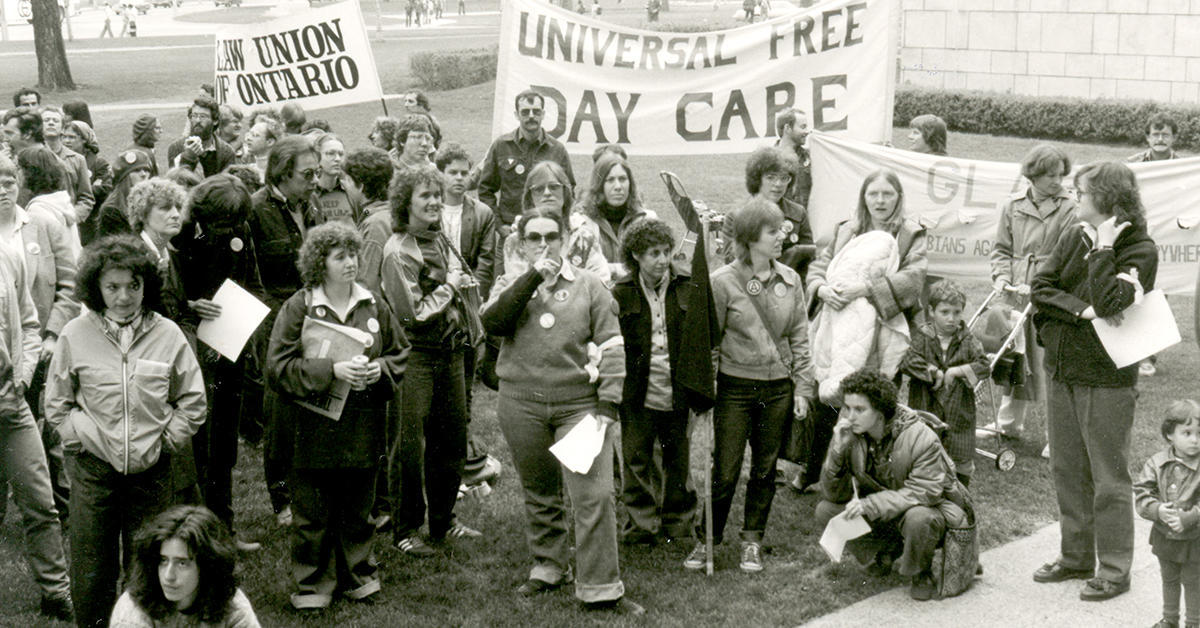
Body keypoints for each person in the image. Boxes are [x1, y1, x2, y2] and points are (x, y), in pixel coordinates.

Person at [481, 206, 643, 615]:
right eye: (533, 238)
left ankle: (601, 586)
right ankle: (549, 566)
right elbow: (494, 323)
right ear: (520, 243)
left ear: (567, 240)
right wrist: (533, 275)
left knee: (595, 495)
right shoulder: (511, 282)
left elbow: (611, 346)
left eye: (551, 236)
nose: (543, 244)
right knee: (539, 490)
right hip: (521, 403)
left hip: (578, 405)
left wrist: (608, 402)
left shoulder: (590, 285)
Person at [45, 235, 206, 628]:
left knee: (147, 562)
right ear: (95, 289)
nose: (123, 297)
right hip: (93, 470)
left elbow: (193, 400)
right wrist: (79, 438)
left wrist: (169, 439)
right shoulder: (75, 334)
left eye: (133, 286)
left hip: (153, 471)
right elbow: (56, 404)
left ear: (147, 286)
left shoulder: (168, 334)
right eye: (112, 287)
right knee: (92, 566)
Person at [1030, 161, 1159, 602]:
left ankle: (1116, 570)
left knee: (1108, 477)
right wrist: (1081, 312)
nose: (1074, 196)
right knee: (1066, 469)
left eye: (1081, 191)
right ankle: (1076, 557)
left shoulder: (1140, 249)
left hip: (1107, 380)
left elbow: (1110, 300)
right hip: (1061, 370)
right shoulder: (1072, 233)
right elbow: (1040, 287)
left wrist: (1103, 249)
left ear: (1106, 198)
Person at [267, 222, 408, 609]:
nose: (350, 263)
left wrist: (381, 370)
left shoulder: (373, 303)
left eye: (353, 255)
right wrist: (331, 371)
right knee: (311, 512)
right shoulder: (300, 305)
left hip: (361, 425)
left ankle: (358, 574)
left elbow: (399, 352)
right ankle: (312, 584)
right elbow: (277, 367)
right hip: (311, 430)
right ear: (319, 263)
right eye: (339, 256)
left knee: (356, 508)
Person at [685, 197, 813, 573]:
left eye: (782, 231)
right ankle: (707, 539)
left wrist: (803, 390)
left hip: (778, 390)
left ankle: (752, 540)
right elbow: (709, 341)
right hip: (735, 390)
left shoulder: (791, 281)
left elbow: (801, 339)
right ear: (750, 236)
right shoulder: (722, 282)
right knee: (725, 470)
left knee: (765, 468)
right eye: (773, 231)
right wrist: (706, 390)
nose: (781, 238)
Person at [802, 169, 926, 489]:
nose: (880, 201)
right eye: (874, 194)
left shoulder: (911, 234)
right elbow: (820, 264)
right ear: (864, 197)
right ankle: (815, 470)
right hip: (839, 323)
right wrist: (820, 289)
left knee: (875, 406)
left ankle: (874, 480)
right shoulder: (848, 229)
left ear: (899, 197)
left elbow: (914, 278)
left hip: (883, 328)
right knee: (828, 397)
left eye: (888, 194)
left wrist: (866, 290)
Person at [381, 166, 481, 555]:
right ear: (405, 203)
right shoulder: (397, 251)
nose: (435, 201)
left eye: (437, 195)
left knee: (451, 439)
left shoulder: (440, 239)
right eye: (425, 196)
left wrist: (459, 288)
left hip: (451, 352)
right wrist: (451, 287)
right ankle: (405, 530)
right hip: (416, 358)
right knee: (408, 447)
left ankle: (443, 521)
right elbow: (412, 315)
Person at [815, 369, 972, 601]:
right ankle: (883, 554)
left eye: (859, 409)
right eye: (847, 408)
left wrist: (870, 504)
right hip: (888, 509)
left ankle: (921, 572)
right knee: (826, 510)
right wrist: (837, 450)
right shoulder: (853, 433)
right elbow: (833, 494)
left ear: (880, 412)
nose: (849, 416)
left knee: (918, 517)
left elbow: (924, 492)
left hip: (934, 512)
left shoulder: (921, 437)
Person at [0, 157, 74, 623]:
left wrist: (24, 373)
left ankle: (57, 593)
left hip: (10, 402)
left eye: (8, 180)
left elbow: (28, 321)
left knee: (40, 501)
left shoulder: (9, 256)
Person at [173, 174, 264, 552]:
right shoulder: (179, 235)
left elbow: (255, 283)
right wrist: (191, 306)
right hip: (190, 349)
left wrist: (245, 317)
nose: (225, 232)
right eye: (219, 225)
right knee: (198, 445)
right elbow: (169, 296)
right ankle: (193, 532)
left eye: (232, 225)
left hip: (229, 348)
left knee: (224, 443)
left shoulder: (240, 230)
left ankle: (223, 529)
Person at [980, 144, 1074, 458]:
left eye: (1060, 174)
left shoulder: (1070, 208)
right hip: (1014, 289)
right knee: (1014, 356)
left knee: (1049, 363)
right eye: (1049, 174)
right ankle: (1008, 423)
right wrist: (1002, 278)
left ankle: (1057, 436)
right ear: (1032, 175)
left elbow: (1068, 255)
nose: (1056, 180)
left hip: (1048, 289)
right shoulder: (1012, 206)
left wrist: (1044, 284)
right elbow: (1001, 250)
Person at [247, 135, 320, 525]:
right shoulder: (256, 211)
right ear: (281, 173)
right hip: (275, 322)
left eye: (317, 173)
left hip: (314, 316)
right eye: (307, 174)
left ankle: (310, 485)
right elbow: (249, 277)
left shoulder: (310, 205)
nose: (314, 180)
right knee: (279, 413)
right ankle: (283, 500)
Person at [613, 218, 697, 544]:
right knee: (636, 459)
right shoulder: (621, 293)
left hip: (676, 389)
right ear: (635, 255)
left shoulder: (686, 286)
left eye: (666, 252)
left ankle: (679, 521)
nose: (662, 260)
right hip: (636, 392)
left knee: (678, 457)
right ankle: (641, 525)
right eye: (653, 254)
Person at [109, 505, 261, 627]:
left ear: (207, 566)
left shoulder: (231, 605)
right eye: (163, 560)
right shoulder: (131, 616)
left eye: (182, 563)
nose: (168, 576)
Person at [899, 280, 987, 487]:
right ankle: (922, 487)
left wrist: (957, 371)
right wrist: (934, 372)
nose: (951, 319)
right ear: (931, 311)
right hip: (926, 403)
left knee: (961, 454)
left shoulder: (967, 339)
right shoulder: (923, 336)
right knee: (923, 448)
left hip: (959, 408)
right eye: (945, 312)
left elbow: (984, 365)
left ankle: (960, 493)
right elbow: (907, 360)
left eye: (957, 312)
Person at [1135, 400, 1200, 628]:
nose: (1195, 439)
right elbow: (1142, 493)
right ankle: (1169, 619)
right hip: (1165, 535)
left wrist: (1190, 517)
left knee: (1193, 581)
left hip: (1195, 538)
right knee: (1169, 578)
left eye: (1199, 434)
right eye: (1187, 433)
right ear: (1170, 434)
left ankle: (1194, 622)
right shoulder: (1157, 463)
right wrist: (1156, 510)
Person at [495, 161, 609, 286]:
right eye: (538, 189)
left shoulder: (584, 238)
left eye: (554, 187)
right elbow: (516, 288)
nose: (547, 193)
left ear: (565, 192)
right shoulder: (516, 240)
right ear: (530, 197)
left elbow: (602, 282)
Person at [478, 89, 576, 230]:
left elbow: (569, 189)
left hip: (547, 231)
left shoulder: (557, 150)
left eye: (536, 111)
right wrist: (499, 226)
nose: (531, 116)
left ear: (543, 114)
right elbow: (485, 190)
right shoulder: (501, 146)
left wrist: (562, 224)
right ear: (517, 115)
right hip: (510, 229)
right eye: (525, 112)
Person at [1128, 112, 1179, 378]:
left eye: (1165, 134)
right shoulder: (1132, 166)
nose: (1160, 139)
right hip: (1139, 239)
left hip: (1171, 243)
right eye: (1155, 134)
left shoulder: (1185, 168)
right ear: (1147, 137)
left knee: (1160, 300)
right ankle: (1135, 354)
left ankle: (1148, 355)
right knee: (1136, 294)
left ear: (1174, 138)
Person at [573, 154, 653, 280]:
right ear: (599, 185)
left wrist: (608, 269)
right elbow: (581, 270)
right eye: (610, 180)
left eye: (622, 179)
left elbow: (653, 266)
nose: (618, 187)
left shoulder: (647, 219)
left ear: (630, 183)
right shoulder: (582, 221)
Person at [742, 146, 814, 280]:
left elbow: (810, 260)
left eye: (784, 178)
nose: (778, 184)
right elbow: (735, 260)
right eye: (771, 177)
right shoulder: (739, 214)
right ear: (757, 179)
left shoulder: (798, 212)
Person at [35, 107, 97, 228]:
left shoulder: (77, 159)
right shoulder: (32, 157)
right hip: (39, 223)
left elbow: (86, 197)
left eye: (55, 120)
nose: (51, 123)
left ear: (63, 128)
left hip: (68, 225)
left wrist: (74, 216)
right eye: (46, 120)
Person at [17, 146, 82, 256]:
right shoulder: (61, 201)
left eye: (19, 168)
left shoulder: (37, 211)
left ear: (30, 173)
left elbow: (41, 256)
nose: (16, 173)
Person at [346, 147, 394, 290]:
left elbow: (366, 283)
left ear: (360, 186)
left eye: (348, 181)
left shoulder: (375, 225)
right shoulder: (389, 213)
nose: (345, 186)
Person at [87, 149, 153, 244]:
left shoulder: (151, 201)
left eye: (146, 170)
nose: (143, 174)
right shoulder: (112, 210)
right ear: (124, 177)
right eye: (137, 170)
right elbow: (117, 248)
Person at [166, 96, 236, 178]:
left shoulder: (226, 152)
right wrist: (188, 156)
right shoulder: (176, 147)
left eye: (203, 116)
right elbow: (176, 181)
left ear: (215, 121)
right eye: (194, 116)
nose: (198, 120)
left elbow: (226, 184)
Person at [63, 120, 113, 213]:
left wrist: (75, 190)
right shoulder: (59, 160)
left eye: (72, 137)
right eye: (64, 137)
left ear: (84, 139)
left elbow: (105, 189)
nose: (66, 141)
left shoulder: (98, 163)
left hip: (91, 216)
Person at [312, 133, 360, 225]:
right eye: (330, 153)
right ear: (317, 157)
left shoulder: (351, 191)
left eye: (341, 154)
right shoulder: (309, 193)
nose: (337, 159)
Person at [774, 107, 812, 208]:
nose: (807, 131)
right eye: (803, 127)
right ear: (787, 128)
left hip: (805, 221)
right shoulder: (768, 159)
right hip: (778, 220)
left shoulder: (810, 157)